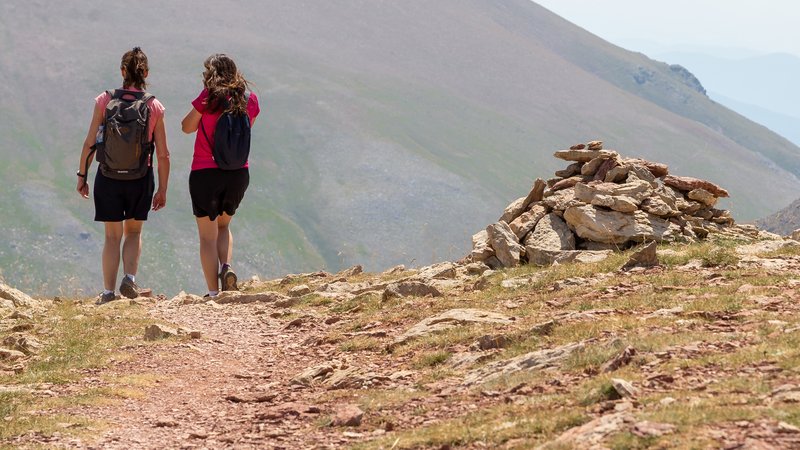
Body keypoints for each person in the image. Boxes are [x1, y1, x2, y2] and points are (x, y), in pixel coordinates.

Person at [76, 47, 170, 305]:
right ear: (146, 73)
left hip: (108, 177)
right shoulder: (154, 106)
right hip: (141, 177)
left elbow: (89, 144)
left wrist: (82, 175)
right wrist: (162, 189)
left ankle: (108, 293)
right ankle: (129, 277)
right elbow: (163, 154)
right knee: (134, 232)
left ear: (122, 72)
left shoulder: (104, 100)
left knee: (111, 236)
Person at [181, 54, 260, 297]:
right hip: (237, 174)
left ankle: (214, 293)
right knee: (224, 226)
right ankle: (226, 267)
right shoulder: (249, 100)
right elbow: (247, 128)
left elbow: (186, 127)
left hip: (205, 173)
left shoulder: (208, 98)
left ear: (211, 74)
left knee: (207, 237)